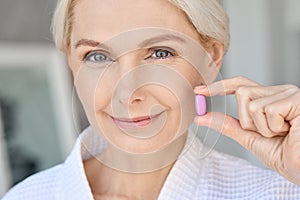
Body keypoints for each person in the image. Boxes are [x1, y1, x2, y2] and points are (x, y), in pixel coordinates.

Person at [3, 0, 300, 199]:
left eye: (160, 53)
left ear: (210, 60)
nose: (127, 93)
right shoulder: (27, 196)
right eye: (97, 56)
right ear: (71, 63)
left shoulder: (276, 192)